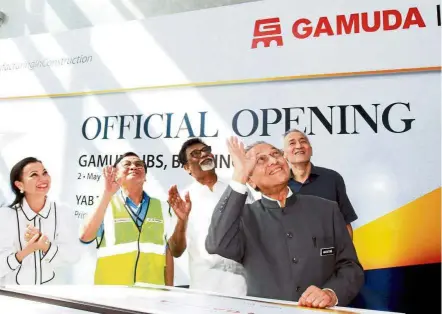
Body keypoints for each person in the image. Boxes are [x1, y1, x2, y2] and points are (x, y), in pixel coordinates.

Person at [205, 137, 364, 308]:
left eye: (276, 154)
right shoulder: (244, 218)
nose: (273, 160)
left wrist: (331, 293)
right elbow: (217, 244)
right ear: (250, 181)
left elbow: (350, 267)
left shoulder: (327, 209)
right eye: (261, 159)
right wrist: (239, 176)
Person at [79, 152, 174, 286]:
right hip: (112, 295)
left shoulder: (163, 207)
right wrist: (108, 193)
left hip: (152, 295)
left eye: (139, 164)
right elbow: (85, 237)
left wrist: (169, 291)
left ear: (145, 177)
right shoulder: (105, 204)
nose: (133, 167)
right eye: (127, 164)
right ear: (116, 175)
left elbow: (168, 253)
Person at [167, 138, 246, 295]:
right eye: (196, 154)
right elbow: (175, 251)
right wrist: (182, 221)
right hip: (205, 289)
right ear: (187, 167)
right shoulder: (181, 199)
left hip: (243, 287)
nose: (204, 154)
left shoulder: (238, 190)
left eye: (206, 150)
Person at [0, 157, 82, 285]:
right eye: (34, 175)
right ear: (19, 185)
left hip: (53, 297)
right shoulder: (5, 216)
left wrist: (46, 246)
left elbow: (73, 256)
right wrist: (26, 251)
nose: (43, 178)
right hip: (14, 296)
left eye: (44, 173)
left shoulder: (63, 212)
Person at [282, 129, 358, 238]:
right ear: (284, 154)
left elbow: (344, 223)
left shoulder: (332, 178)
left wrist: (347, 254)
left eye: (303, 141)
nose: (299, 146)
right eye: (292, 143)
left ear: (311, 150)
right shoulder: (279, 184)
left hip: (329, 252)